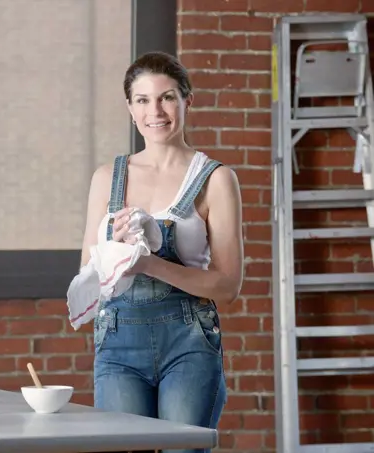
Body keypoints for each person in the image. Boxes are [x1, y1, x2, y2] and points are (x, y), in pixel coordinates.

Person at [79, 51, 243, 453]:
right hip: (118, 342)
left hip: (188, 342)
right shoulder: (106, 178)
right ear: (130, 108)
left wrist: (150, 264)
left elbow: (227, 286)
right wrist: (113, 251)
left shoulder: (216, 180)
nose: (156, 110)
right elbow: (87, 276)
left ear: (188, 100)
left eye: (167, 97)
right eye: (142, 99)